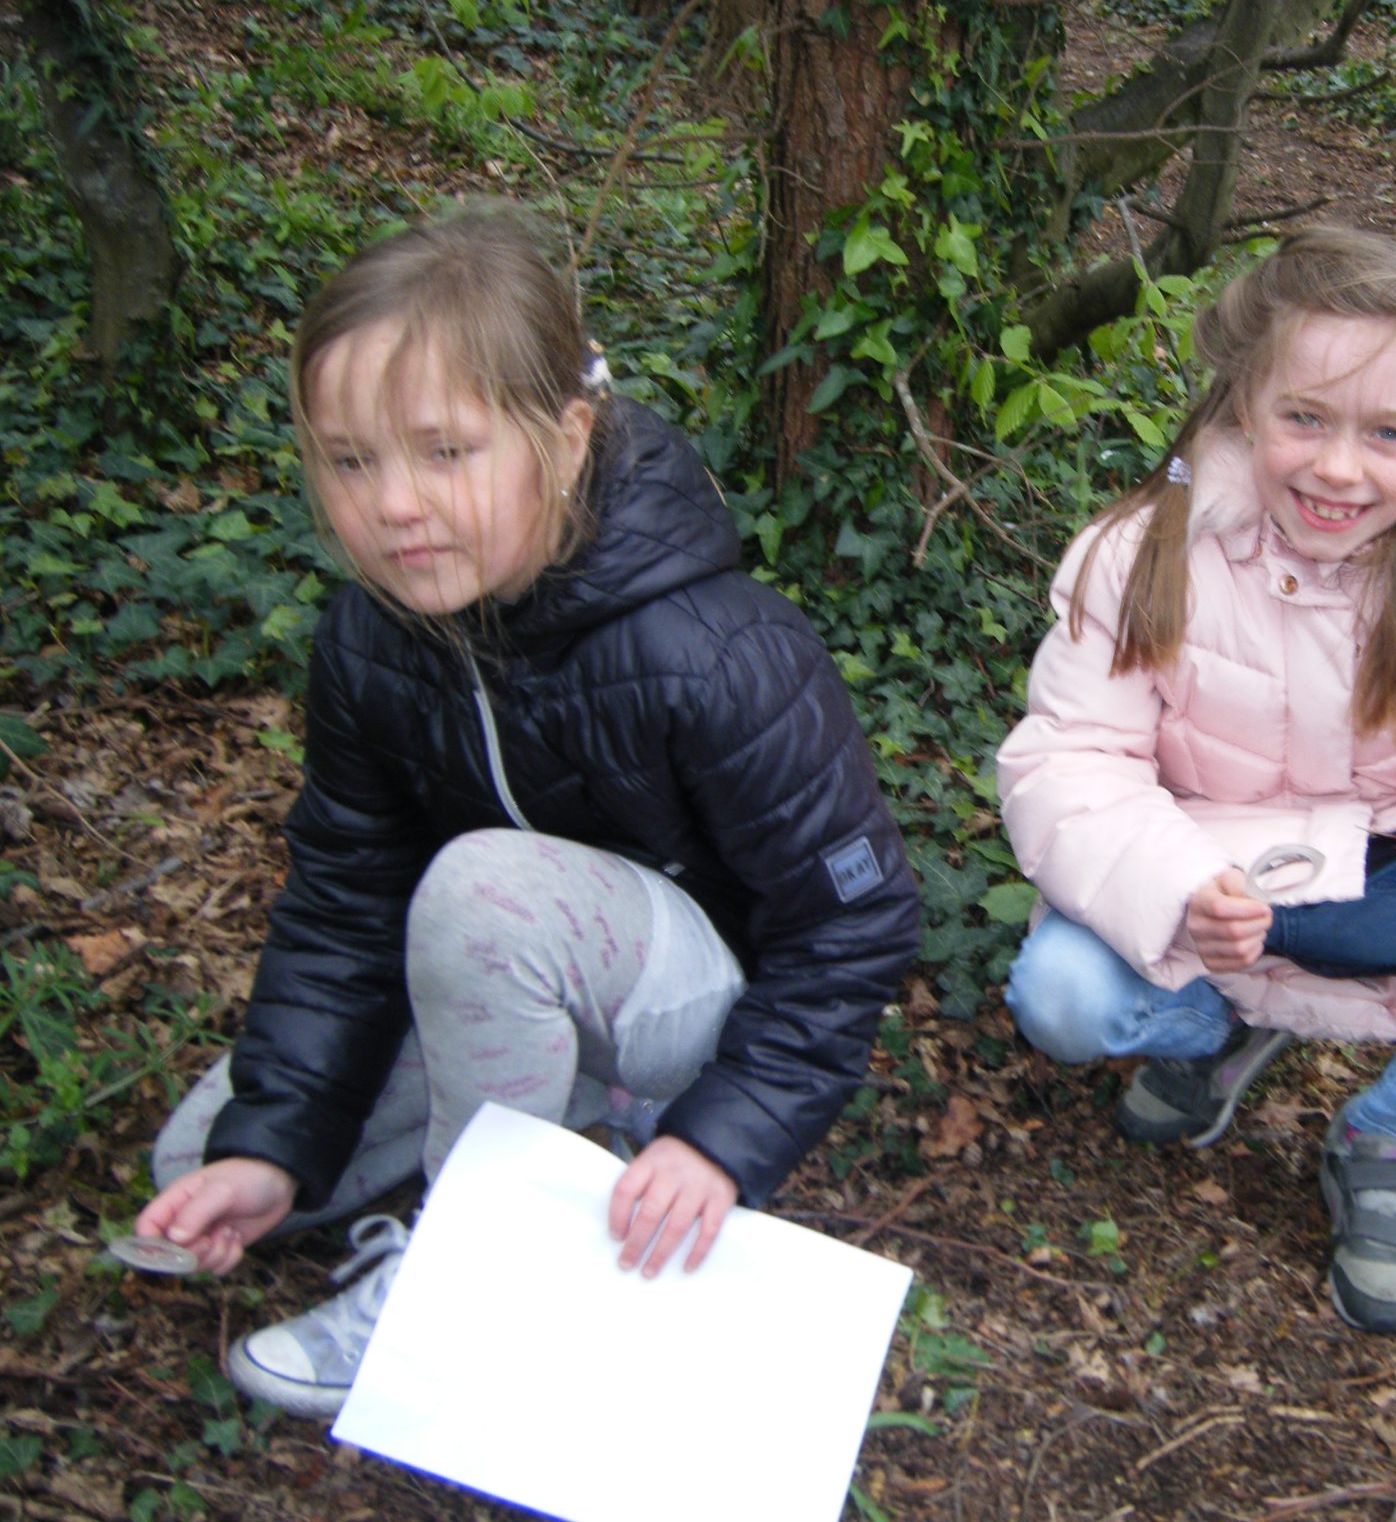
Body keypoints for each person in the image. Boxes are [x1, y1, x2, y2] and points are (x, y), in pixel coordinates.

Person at [135, 201, 921, 1415]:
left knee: (482, 889)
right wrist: (274, 1138)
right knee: (208, 1160)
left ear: (563, 436)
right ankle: (547, 1123)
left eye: (444, 453)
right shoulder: (367, 640)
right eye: (352, 462)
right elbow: (346, 901)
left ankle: (471, 1272)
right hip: (501, 975)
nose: (395, 504)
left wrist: (722, 1133)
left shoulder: (712, 650)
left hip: (686, 1012)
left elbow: (851, 921)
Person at [997, 228, 1396, 1335]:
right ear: (1246, 406)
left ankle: (1386, 1136)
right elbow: (1068, 763)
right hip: (1205, 884)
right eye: (1305, 417)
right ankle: (1212, 1024)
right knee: (1060, 994)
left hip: (1382, 873)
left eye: (1386, 433)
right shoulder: (1143, 554)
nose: (1339, 469)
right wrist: (1179, 889)